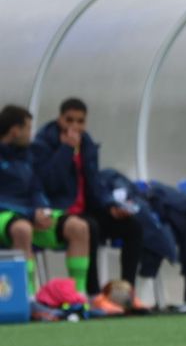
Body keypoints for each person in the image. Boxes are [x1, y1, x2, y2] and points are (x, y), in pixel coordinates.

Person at [31, 97, 147, 302]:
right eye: (70, 120)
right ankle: (93, 294)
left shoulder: (88, 145)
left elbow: (95, 185)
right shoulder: (43, 144)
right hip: (60, 214)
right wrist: (66, 149)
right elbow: (49, 183)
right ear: (60, 119)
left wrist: (110, 206)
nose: (75, 126)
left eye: (80, 121)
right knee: (89, 227)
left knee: (133, 226)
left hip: (87, 210)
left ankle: (126, 293)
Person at [0, 104, 92, 299]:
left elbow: (37, 188)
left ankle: (78, 295)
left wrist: (43, 210)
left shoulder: (27, 156)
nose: (30, 134)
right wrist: (30, 214)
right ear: (15, 131)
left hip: (29, 214)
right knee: (22, 229)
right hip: (5, 215)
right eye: (28, 128)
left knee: (79, 227)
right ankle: (28, 297)